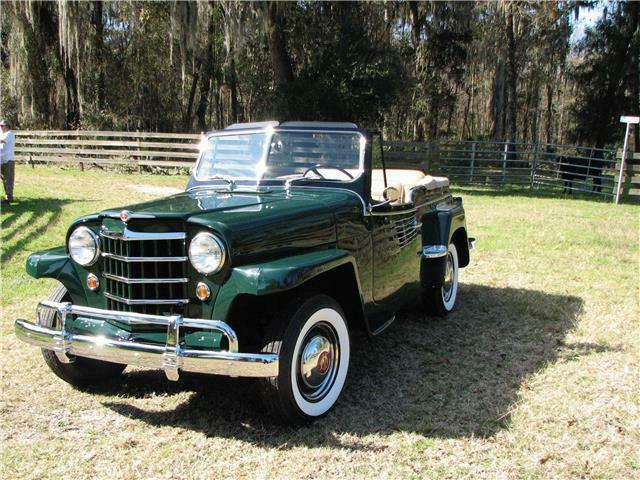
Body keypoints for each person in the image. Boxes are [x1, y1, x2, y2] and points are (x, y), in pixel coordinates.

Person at [0, 119, 16, 204]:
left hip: (8, 160)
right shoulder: (2, 134)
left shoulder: (9, 134)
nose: (1, 127)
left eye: (2, 126)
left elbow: (1, 141)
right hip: (2, 160)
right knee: (4, 179)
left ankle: (9, 197)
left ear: (7, 126)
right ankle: (7, 196)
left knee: (8, 179)